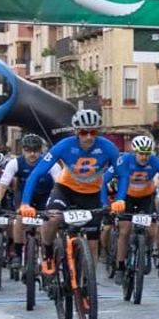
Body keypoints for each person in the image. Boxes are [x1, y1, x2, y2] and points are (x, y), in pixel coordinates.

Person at [20, 109, 120, 262]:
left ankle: (88, 283)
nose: (88, 137)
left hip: (92, 195)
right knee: (52, 219)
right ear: (76, 131)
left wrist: (120, 199)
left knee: (93, 245)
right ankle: (47, 252)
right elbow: (36, 174)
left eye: (93, 132)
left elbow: (123, 175)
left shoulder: (109, 148)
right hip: (65, 190)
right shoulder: (63, 146)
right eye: (83, 132)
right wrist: (25, 203)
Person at [109, 135, 159, 279]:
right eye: (141, 153)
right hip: (127, 197)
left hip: (146, 197)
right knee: (124, 231)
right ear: (134, 152)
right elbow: (107, 177)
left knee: (152, 229)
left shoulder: (157, 163)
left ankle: (147, 251)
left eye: (147, 154)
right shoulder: (124, 161)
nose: (144, 157)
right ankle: (120, 266)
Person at [0, 135, 51, 263]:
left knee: (47, 223)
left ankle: (47, 254)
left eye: (35, 150)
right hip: (23, 196)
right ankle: (17, 253)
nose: (32, 154)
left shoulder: (49, 162)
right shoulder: (15, 163)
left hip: (44, 195)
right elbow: (2, 186)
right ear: (23, 150)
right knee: (19, 218)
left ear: (41, 150)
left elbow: (59, 185)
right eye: (28, 150)